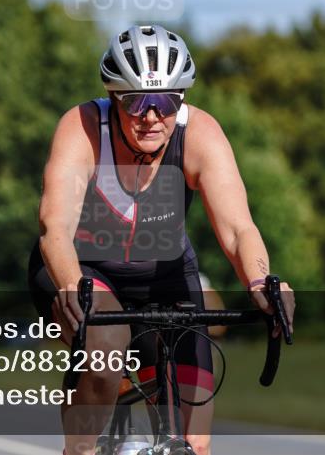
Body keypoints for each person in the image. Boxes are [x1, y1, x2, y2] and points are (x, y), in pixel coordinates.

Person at [29, 25, 296, 455]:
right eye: (136, 101)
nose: (151, 116)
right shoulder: (82, 127)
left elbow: (238, 229)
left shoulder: (201, 134)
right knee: (106, 345)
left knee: (195, 443)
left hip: (166, 276)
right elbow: (53, 226)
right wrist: (70, 286)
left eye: (166, 101)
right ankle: (79, 449)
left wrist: (262, 282)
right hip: (84, 270)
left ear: (182, 99)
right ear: (114, 97)